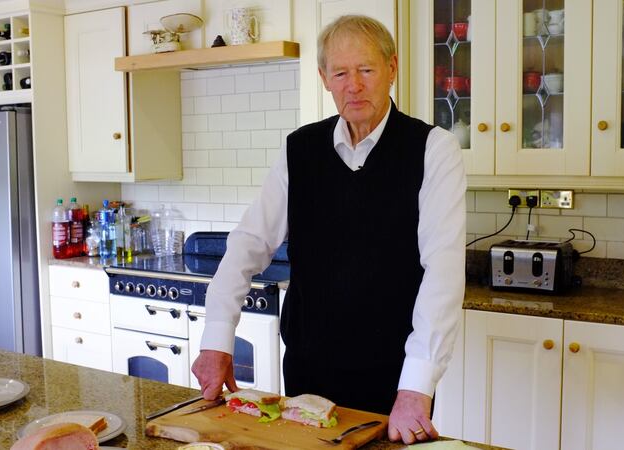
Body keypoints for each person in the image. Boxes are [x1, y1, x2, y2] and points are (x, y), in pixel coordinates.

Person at [191, 14, 466, 445]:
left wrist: (417, 385)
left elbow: (443, 272)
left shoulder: (433, 149)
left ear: (392, 69)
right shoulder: (299, 149)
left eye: (366, 70)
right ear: (324, 77)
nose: (353, 85)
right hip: (308, 365)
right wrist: (216, 339)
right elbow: (248, 244)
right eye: (340, 72)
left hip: (395, 375)